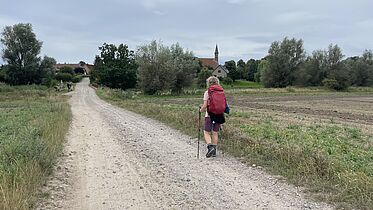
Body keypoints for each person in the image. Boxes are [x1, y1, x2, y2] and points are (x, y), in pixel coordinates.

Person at [200, 76, 225, 158]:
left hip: (210, 115)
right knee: (215, 132)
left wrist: (201, 110)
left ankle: (210, 147)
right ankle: (214, 151)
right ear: (217, 83)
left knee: (206, 132)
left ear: (208, 83)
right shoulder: (221, 91)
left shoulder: (207, 92)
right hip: (219, 114)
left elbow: (205, 105)